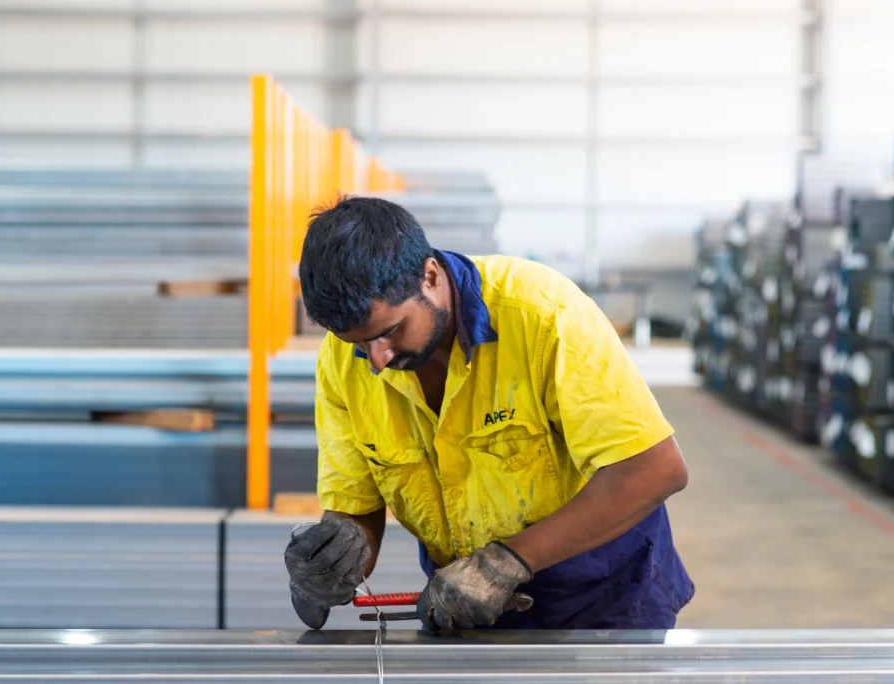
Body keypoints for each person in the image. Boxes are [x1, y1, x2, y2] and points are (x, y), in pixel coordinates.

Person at [284, 196, 694, 631]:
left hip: (603, 600)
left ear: (429, 276)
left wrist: (504, 564)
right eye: (357, 343)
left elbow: (654, 469)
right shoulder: (343, 362)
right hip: (468, 602)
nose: (376, 360)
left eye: (390, 331)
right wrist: (331, 561)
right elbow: (355, 506)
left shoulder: (546, 317)